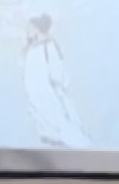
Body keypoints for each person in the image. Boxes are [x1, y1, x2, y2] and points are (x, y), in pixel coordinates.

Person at [22, 14, 91, 148]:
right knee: (39, 111)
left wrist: (57, 81)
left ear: (37, 28)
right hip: (34, 88)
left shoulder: (48, 45)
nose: (27, 31)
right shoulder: (32, 45)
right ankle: (49, 134)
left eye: (30, 28)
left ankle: (74, 140)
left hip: (45, 86)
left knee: (53, 112)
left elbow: (56, 65)